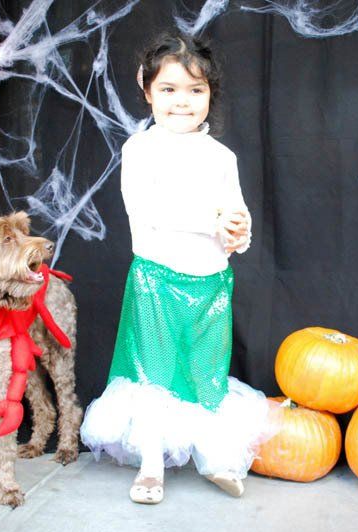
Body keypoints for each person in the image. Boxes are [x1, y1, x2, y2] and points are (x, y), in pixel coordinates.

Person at [80, 32, 272, 505]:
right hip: (158, 282)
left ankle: (214, 457)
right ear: (147, 92)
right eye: (168, 90)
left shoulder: (222, 157)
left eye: (195, 90)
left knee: (206, 376)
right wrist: (212, 220)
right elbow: (149, 213)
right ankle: (150, 464)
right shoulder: (141, 149)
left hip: (212, 285)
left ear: (211, 95)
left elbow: (236, 221)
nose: (181, 102)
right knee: (155, 378)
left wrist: (236, 233)